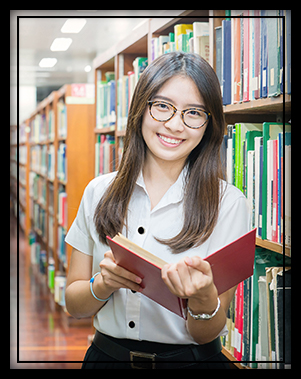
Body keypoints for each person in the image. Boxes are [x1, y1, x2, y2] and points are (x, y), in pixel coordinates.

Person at [65, 52, 250, 369]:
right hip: (106, 360)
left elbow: (206, 333)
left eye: (193, 112)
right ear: (141, 109)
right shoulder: (98, 191)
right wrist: (103, 284)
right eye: (162, 106)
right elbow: (74, 305)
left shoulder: (230, 204)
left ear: (209, 123)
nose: (175, 125)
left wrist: (204, 299)